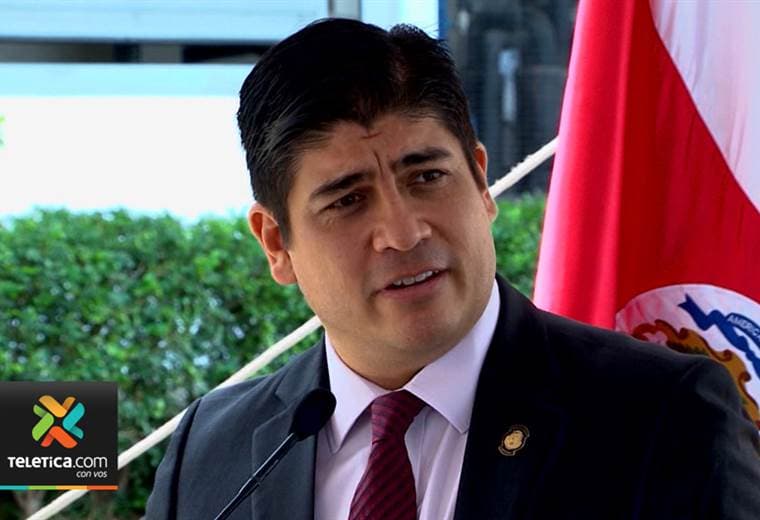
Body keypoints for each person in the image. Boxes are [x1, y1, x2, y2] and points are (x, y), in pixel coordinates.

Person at [145, 18, 760, 520]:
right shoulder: (212, 449)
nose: (404, 232)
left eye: (427, 177)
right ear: (276, 242)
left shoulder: (660, 415)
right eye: (348, 200)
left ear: (481, 182)